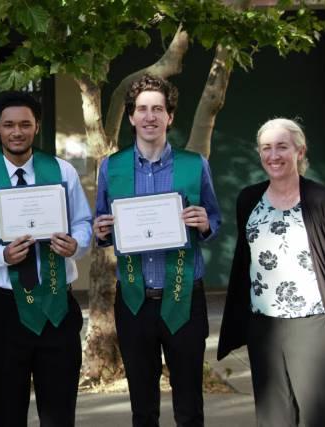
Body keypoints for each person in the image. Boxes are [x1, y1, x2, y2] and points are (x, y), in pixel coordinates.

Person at [94, 74, 221, 427]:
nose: (150, 116)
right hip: (134, 300)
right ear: (132, 117)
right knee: (143, 407)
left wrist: (204, 223)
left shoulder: (195, 164)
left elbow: (214, 218)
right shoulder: (111, 166)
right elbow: (103, 223)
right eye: (142, 109)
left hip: (184, 297)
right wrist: (102, 231)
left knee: (189, 405)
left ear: (170, 117)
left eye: (158, 109)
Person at [0, 91, 93, 426]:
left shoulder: (62, 172)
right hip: (5, 310)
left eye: (24, 124)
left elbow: (83, 222)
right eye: (8, 125)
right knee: (7, 410)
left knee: (59, 411)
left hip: (57, 306)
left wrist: (75, 244)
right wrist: (0, 255)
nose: (16, 132)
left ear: (36, 127)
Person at [218, 118, 325, 426]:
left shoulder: (323, 200)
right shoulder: (248, 199)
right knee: (273, 418)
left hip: (315, 326)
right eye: (266, 148)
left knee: (319, 417)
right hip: (264, 328)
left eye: (282, 147)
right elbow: (245, 258)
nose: (274, 155)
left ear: (299, 151)